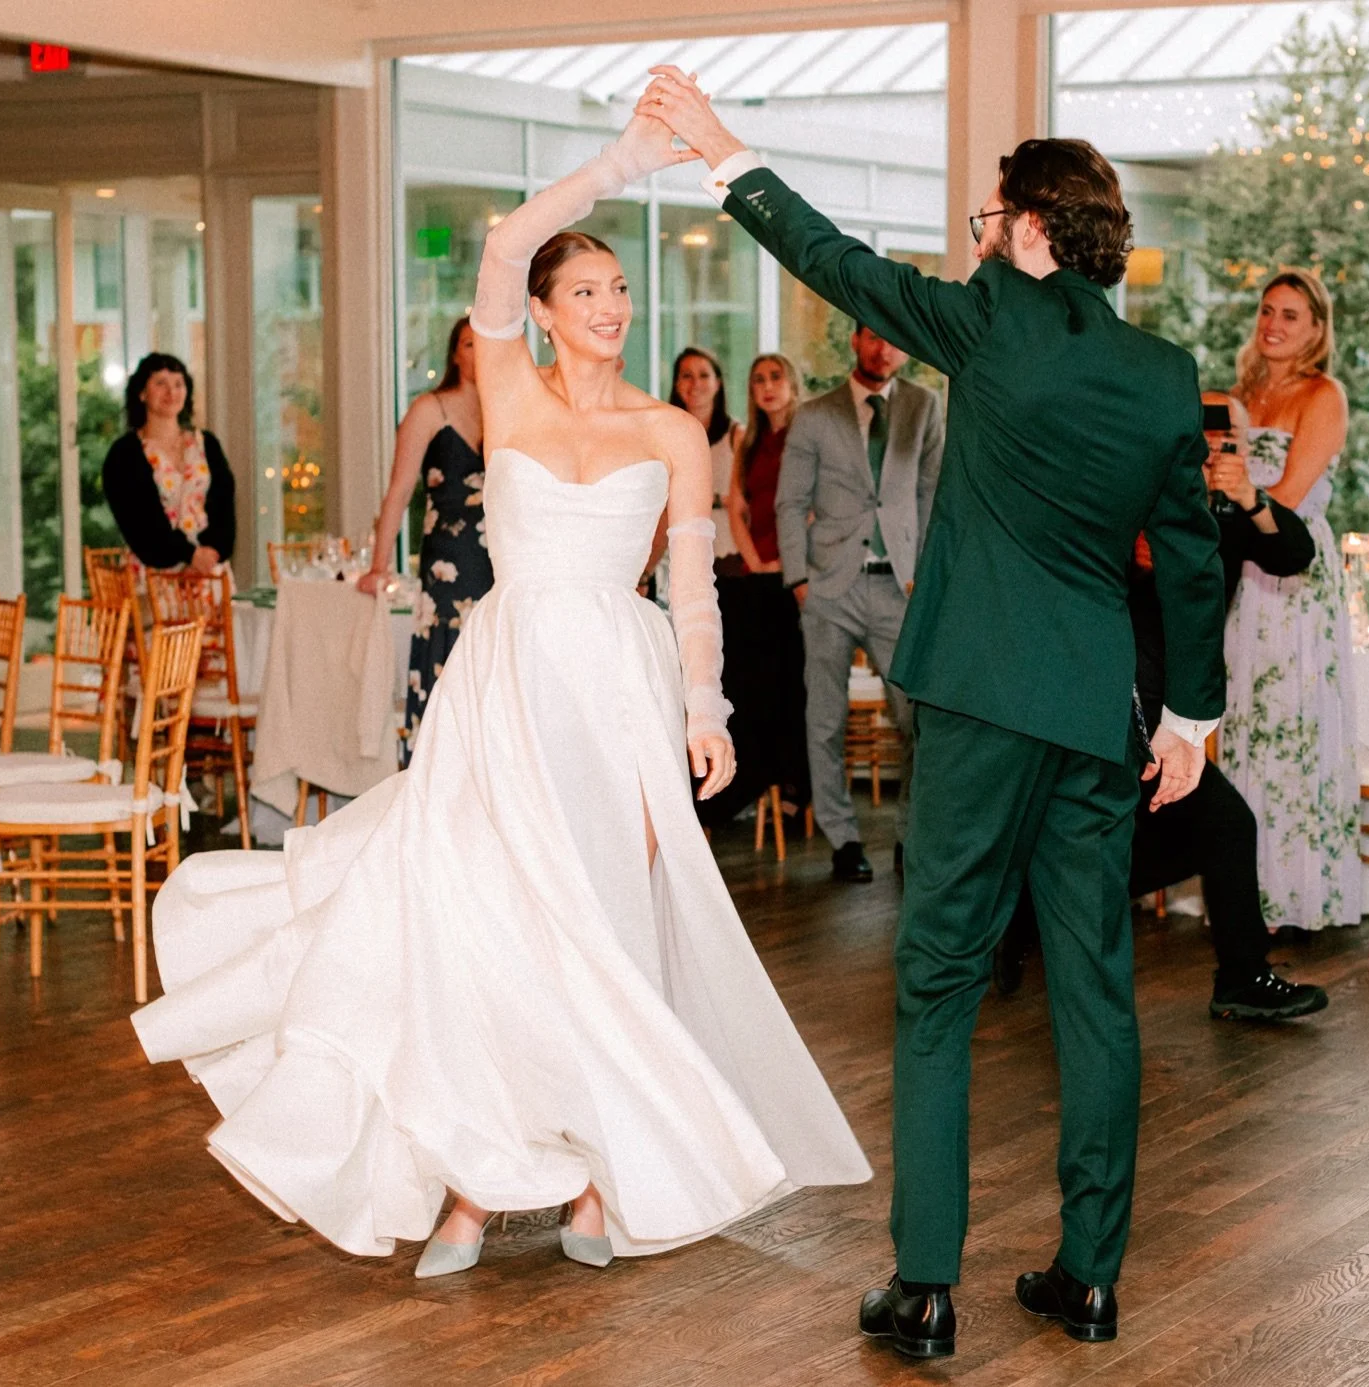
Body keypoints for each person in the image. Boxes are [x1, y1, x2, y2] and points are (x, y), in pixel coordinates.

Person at [133, 111, 869, 1279]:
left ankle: (584, 1178)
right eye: (588, 290)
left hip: (615, 694)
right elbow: (502, 243)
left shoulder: (674, 431)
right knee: (477, 921)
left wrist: (704, 709)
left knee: (596, 933)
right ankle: (476, 1188)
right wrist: (622, 164)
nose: (613, 307)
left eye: (621, 290)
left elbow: (690, 590)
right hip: (505, 680)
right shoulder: (508, 396)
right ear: (540, 312)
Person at [644, 70, 1226, 1357]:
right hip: (1093, 714)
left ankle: (923, 1284)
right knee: (1095, 988)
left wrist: (721, 149)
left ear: (1026, 231)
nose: (974, 233)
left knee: (939, 981)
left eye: (988, 216)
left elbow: (831, 260)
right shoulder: (1161, 371)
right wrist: (1189, 718)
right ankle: (1087, 1273)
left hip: (970, 704)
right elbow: (1187, 558)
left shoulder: (987, 326)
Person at [997, 394, 1330, 1022]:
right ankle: (1238, 973)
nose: (1209, 443)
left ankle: (1035, 915)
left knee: (1207, 831)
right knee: (1204, 828)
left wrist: (1253, 497)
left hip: (1176, 718)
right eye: (1197, 429)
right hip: (1105, 706)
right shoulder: (1131, 498)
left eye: (1221, 432)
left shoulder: (1228, 520)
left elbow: (1294, 555)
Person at [1216, 269, 1360, 935]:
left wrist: (1237, 494)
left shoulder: (1322, 394)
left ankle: (1298, 895)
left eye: (1292, 315)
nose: (1274, 323)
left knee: (1294, 727)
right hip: (1238, 575)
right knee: (1245, 720)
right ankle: (1246, 894)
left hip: (1293, 577)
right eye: (1268, 310)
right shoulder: (1237, 393)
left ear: (1317, 330)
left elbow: (1292, 499)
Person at [776, 322, 944, 882]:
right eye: (873, 336)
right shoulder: (817, 413)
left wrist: (924, 575)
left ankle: (909, 836)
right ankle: (843, 839)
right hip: (829, 587)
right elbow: (790, 501)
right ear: (855, 341)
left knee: (914, 717)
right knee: (825, 719)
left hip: (899, 588)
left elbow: (931, 495)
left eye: (896, 337)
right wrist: (799, 580)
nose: (885, 347)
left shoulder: (924, 406)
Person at [357, 317, 492, 763]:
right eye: (470, 344)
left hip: (503, 558)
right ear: (456, 353)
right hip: (450, 558)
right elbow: (398, 493)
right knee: (448, 657)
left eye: (487, 343)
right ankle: (438, 773)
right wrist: (378, 567)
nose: (479, 352)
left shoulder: (505, 409)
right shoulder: (429, 409)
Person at [702, 352, 812, 826]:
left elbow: (816, 503)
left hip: (797, 574)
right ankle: (746, 780)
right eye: (758, 379)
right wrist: (753, 560)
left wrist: (788, 560)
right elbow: (734, 503)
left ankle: (793, 784)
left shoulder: (808, 432)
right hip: (756, 574)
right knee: (746, 683)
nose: (767, 386)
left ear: (792, 383)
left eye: (775, 377)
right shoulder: (747, 438)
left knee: (791, 685)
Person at [99, 353, 236, 574]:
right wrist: (190, 556)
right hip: (156, 575)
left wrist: (209, 556)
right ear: (142, 393)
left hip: (210, 573)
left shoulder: (207, 444)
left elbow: (224, 507)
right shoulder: (124, 455)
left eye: (178, 384)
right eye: (160, 383)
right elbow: (140, 524)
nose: (171, 392)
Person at [669, 346, 744, 565]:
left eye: (704, 375)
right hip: (679, 558)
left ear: (718, 383)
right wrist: (720, 500)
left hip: (730, 557)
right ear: (676, 384)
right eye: (686, 376)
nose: (695, 384)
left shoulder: (736, 436)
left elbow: (743, 502)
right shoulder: (666, 436)